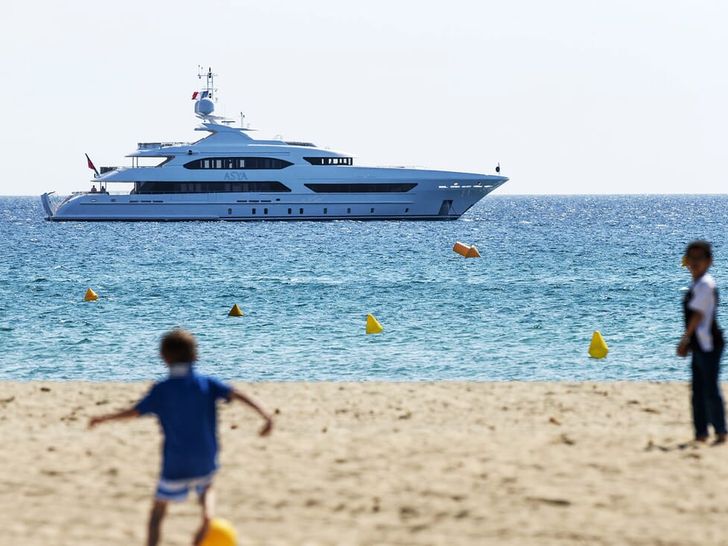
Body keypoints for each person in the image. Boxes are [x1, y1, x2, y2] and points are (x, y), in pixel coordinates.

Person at [89, 329, 273, 546]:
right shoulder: (207, 383)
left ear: (163, 357)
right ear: (195, 356)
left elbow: (134, 412)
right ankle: (207, 515)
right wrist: (266, 415)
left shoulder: (162, 390)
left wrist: (104, 418)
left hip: (175, 461)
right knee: (207, 487)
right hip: (205, 456)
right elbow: (238, 394)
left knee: (158, 512)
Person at [677, 240, 726, 444]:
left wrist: (685, 338)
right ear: (686, 261)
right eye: (691, 258)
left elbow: (698, 315)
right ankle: (701, 433)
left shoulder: (705, 284)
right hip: (699, 343)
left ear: (709, 261)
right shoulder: (697, 283)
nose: (695, 262)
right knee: (698, 391)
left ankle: (721, 431)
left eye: (700, 258)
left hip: (709, 344)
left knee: (709, 389)